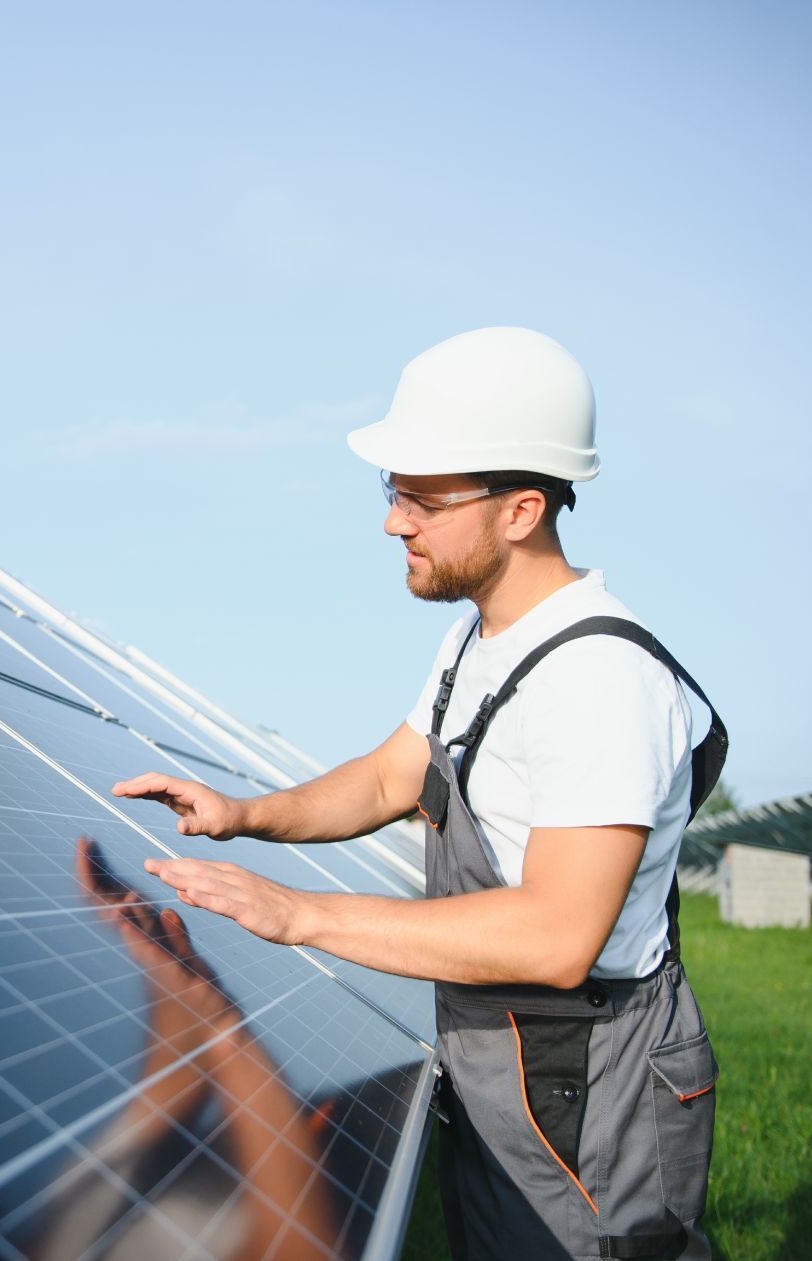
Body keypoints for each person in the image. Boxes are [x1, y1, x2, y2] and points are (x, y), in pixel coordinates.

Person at [114, 326, 727, 1261]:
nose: (394, 520)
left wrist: (298, 915)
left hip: (585, 1074)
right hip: (503, 1044)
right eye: (393, 490)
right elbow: (391, 776)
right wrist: (244, 815)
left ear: (521, 510)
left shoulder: (597, 678)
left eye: (422, 497)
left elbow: (558, 934)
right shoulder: (479, 642)